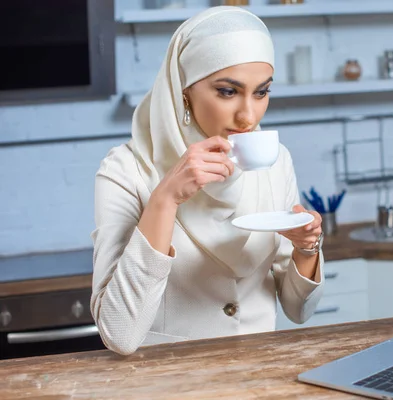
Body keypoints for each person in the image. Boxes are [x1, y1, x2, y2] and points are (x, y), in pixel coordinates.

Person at [90, 6, 325, 356]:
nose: (248, 116)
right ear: (183, 90)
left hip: (258, 375)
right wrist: (165, 199)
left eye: (261, 92)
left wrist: (307, 247)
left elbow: (298, 310)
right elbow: (119, 334)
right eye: (228, 91)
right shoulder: (126, 171)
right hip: (168, 381)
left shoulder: (276, 163)